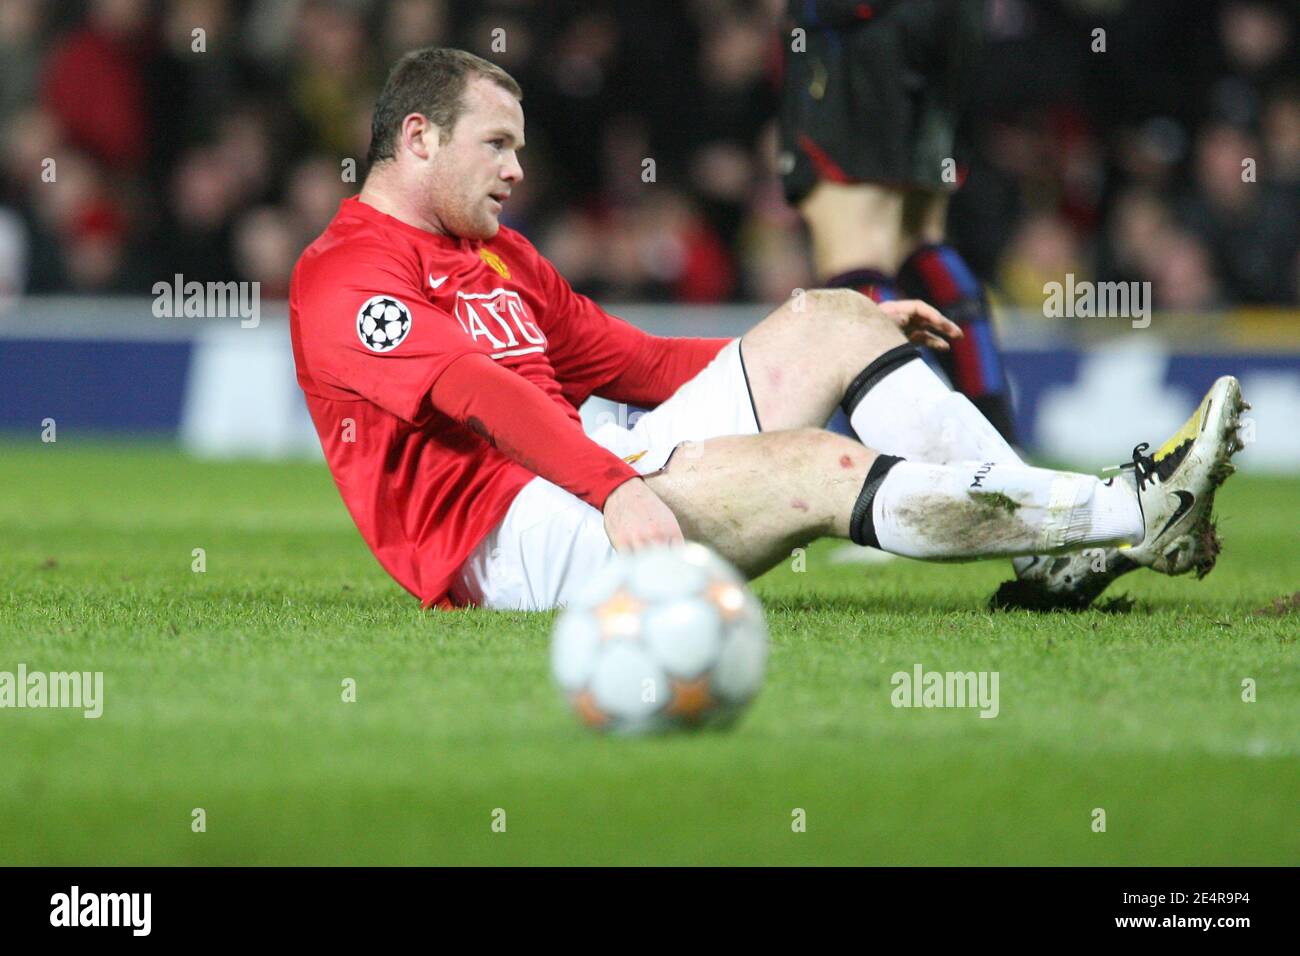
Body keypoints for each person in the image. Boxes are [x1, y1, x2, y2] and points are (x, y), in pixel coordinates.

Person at [289, 48, 1245, 612]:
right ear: (416, 138)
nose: (515, 171)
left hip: (591, 471)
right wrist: (618, 492)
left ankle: (1052, 551)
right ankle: (1130, 512)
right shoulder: (345, 275)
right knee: (805, 468)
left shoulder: (497, 253)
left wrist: (837, 343)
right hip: (510, 543)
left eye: (520, 150)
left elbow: (635, 360)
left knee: (832, 316)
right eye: (496, 145)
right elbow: (477, 391)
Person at [777, 0, 1016, 441]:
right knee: (917, 236)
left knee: (855, 249)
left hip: (859, 24)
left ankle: (928, 454)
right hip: (950, 19)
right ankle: (1001, 447)